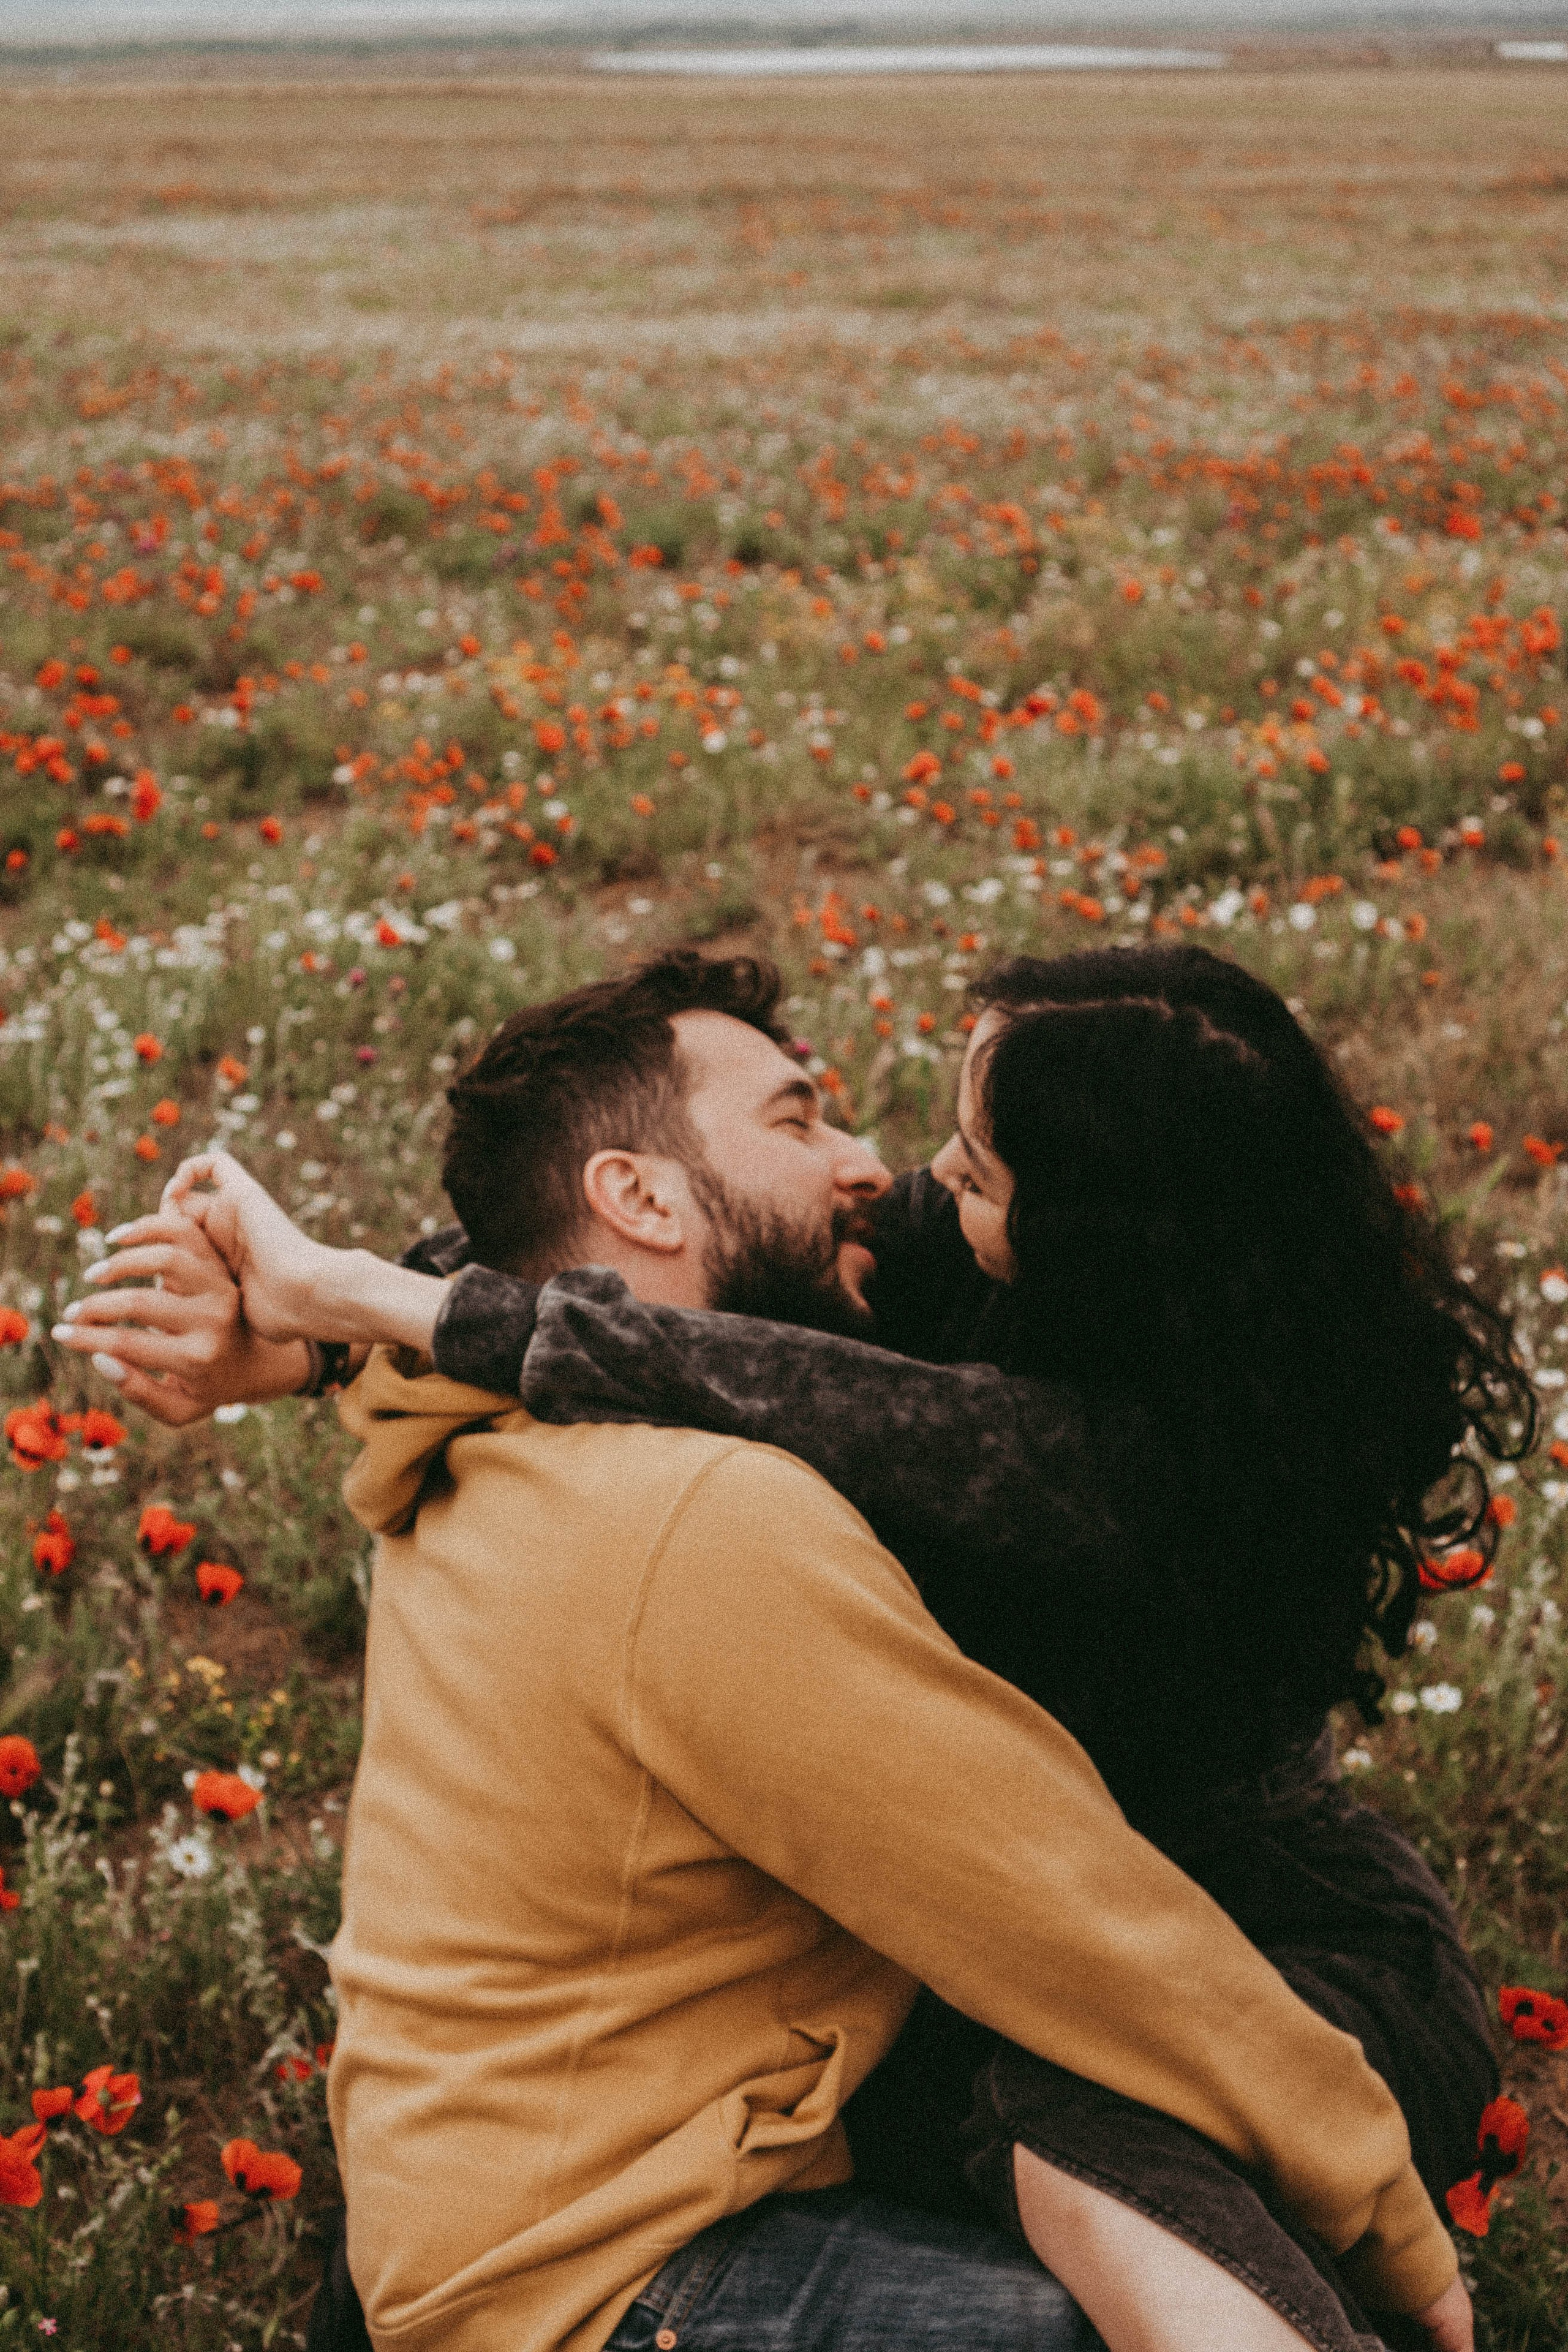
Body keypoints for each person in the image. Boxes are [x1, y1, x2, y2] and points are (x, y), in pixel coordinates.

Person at [54, 949, 1494, 2352]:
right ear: (634, 1197)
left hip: (1219, 1944)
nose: (896, 1172)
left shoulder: (1080, 1456)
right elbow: (1064, 1912)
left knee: (1083, 2143)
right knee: (1082, 2202)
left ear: (1085, 1231)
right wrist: (332, 1325)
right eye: (805, 1120)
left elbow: (683, 1336)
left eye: (973, 1171)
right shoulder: (705, 1514)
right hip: (610, 2258)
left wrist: (358, 1320)